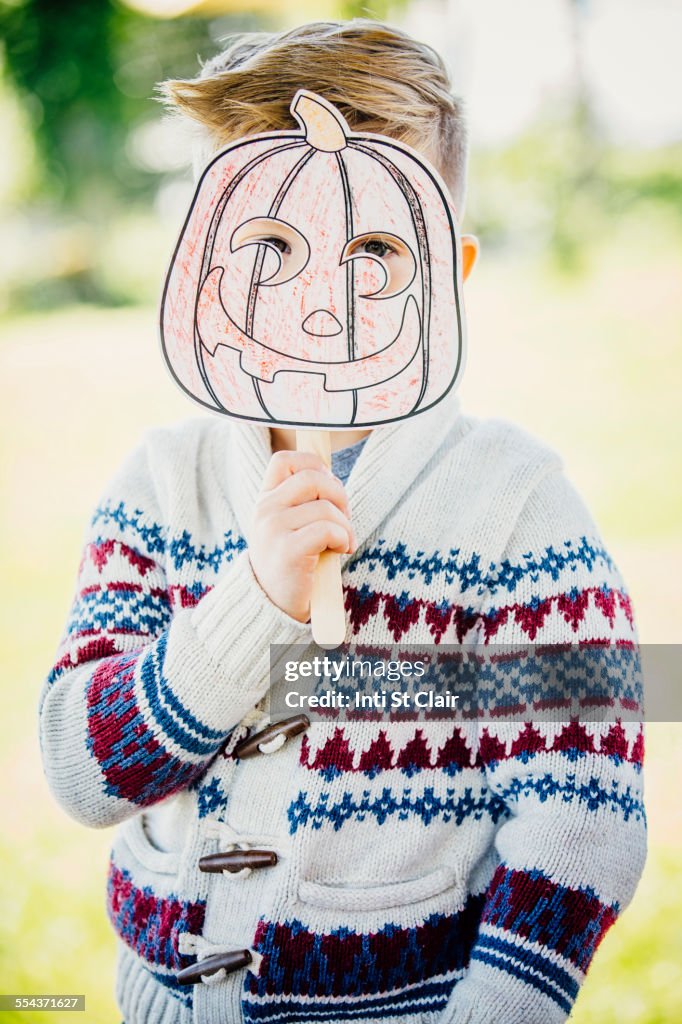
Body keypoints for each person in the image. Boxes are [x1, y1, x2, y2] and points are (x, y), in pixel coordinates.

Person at [38, 19, 646, 1024]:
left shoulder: (514, 507)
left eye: (374, 249)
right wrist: (248, 604)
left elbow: (580, 811)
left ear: (451, 270)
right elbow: (79, 768)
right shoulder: (160, 485)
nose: (322, 300)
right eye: (270, 243)